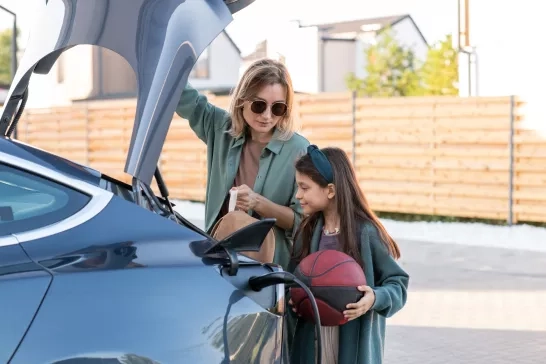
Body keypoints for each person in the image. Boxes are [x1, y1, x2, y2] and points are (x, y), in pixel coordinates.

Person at [175, 58, 309, 270]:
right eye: (258, 105)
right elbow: (182, 96)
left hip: (269, 263)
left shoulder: (298, 150)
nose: (266, 116)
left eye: (278, 108)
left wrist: (259, 204)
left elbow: (303, 221)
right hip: (218, 252)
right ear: (242, 100)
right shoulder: (221, 129)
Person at [287, 145, 409, 364]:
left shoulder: (366, 233)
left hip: (351, 345)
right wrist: (295, 298)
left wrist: (374, 298)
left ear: (331, 190)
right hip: (312, 341)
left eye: (304, 187)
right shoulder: (306, 231)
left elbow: (398, 284)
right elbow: (292, 280)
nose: (298, 195)